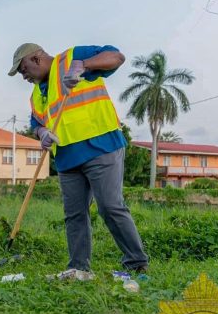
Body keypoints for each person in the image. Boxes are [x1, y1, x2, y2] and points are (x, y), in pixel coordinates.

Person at [8, 43, 149, 280]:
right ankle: (78, 267)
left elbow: (116, 57)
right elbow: (37, 123)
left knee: (110, 206)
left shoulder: (72, 58)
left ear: (37, 58)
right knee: (74, 215)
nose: (24, 77)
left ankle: (136, 263)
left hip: (100, 146)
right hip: (67, 158)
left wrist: (83, 66)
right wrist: (42, 134)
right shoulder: (37, 95)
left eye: (23, 70)